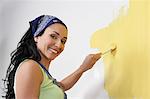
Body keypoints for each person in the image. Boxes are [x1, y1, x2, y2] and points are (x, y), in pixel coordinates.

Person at [3, 15, 101, 99]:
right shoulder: (30, 66)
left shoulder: (40, 71)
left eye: (63, 41)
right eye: (53, 36)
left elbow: (61, 86)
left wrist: (83, 68)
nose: (59, 45)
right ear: (36, 36)